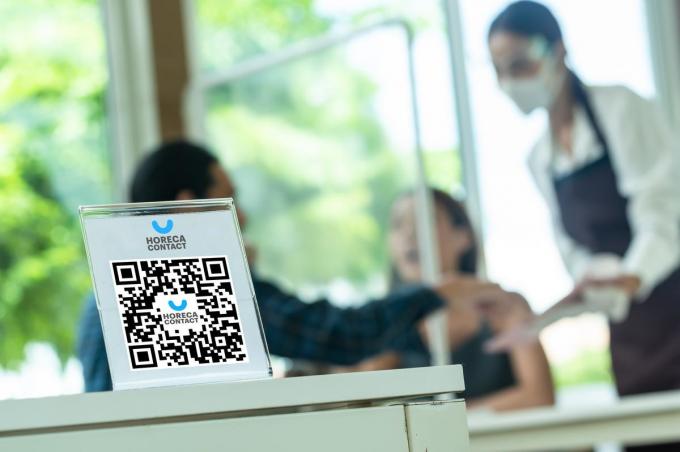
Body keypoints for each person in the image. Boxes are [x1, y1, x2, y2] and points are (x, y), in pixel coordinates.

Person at [77, 140, 505, 391]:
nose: (243, 216)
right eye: (229, 200)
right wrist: (433, 294)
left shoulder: (101, 301)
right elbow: (340, 334)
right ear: (187, 207)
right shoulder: (203, 288)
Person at [488, 1, 680, 448]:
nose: (510, 81)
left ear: (557, 50)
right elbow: (574, 251)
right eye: (499, 71)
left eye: (519, 64)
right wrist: (586, 288)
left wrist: (630, 277)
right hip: (631, 343)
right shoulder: (539, 160)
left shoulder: (621, 108)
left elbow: (663, 215)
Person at [340, 189, 554, 411]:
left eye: (425, 219)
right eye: (398, 224)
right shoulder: (389, 326)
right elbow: (358, 401)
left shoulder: (501, 305)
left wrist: (446, 419)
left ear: (463, 237)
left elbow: (539, 395)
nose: (409, 233)